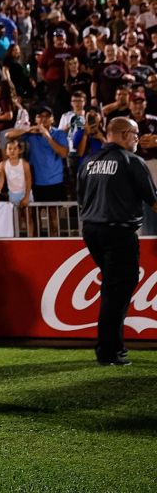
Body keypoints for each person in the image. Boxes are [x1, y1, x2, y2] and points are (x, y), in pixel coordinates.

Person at [77, 117, 157, 366]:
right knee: (116, 292)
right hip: (119, 232)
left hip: (92, 231)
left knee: (112, 289)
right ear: (123, 134)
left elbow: (81, 200)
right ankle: (110, 352)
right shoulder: (132, 161)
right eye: (134, 134)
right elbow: (153, 201)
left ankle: (108, 348)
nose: (137, 139)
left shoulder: (88, 162)